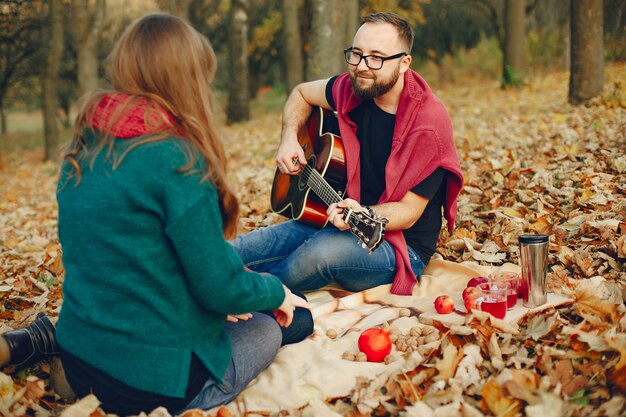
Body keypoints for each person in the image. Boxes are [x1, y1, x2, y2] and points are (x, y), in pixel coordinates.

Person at [53, 13, 312, 416]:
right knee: (277, 326)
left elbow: (136, 261)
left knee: (260, 310)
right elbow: (218, 287)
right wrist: (275, 292)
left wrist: (226, 296)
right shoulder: (175, 160)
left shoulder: (86, 148)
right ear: (188, 79)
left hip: (78, 350)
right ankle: (190, 401)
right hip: (142, 381)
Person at [233, 12, 464, 296]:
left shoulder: (429, 126)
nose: (362, 66)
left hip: (395, 244)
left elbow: (408, 211)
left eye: (376, 57)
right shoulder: (353, 88)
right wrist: (289, 139)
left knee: (319, 254)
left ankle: (244, 296)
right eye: (356, 54)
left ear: (404, 63)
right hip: (335, 219)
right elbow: (301, 93)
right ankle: (188, 284)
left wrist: (363, 212)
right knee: (248, 247)